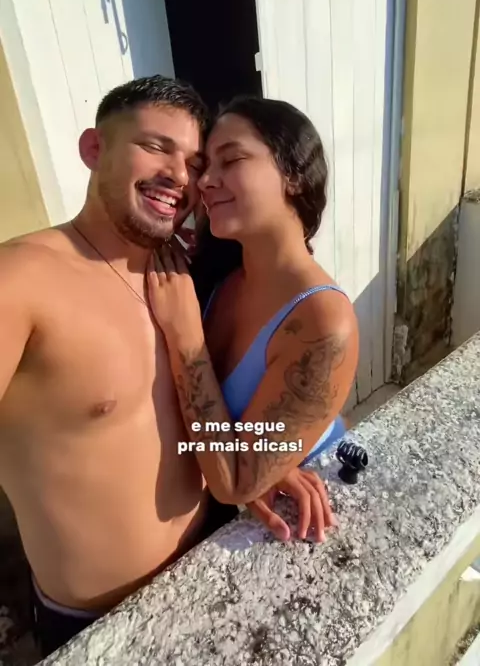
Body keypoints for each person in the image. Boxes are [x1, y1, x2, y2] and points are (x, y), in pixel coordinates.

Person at [0, 76, 330, 658]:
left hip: (212, 559)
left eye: (195, 162)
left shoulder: (182, 272)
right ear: (94, 148)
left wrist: (258, 458)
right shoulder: (21, 280)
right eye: (156, 146)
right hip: (98, 626)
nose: (182, 175)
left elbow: (184, 404)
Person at [148, 95, 359, 542]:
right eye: (206, 166)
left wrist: (185, 337)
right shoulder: (214, 275)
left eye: (232, 160)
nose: (206, 181)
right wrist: (267, 458)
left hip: (303, 522)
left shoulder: (322, 320)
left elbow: (236, 484)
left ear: (294, 176)